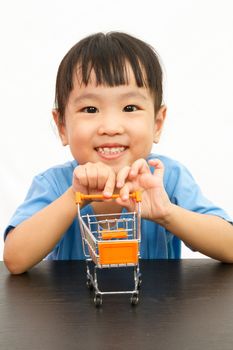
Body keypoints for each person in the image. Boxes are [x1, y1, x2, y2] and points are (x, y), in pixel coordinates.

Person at [3, 32, 233, 274]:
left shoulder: (167, 177)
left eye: (130, 107)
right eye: (90, 109)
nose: (111, 127)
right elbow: (15, 260)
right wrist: (74, 197)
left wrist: (167, 214)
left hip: (156, 311)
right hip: (72, 310)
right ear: (62, 126)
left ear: (157, 123)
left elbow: (229, 245)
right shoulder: (55, 184)